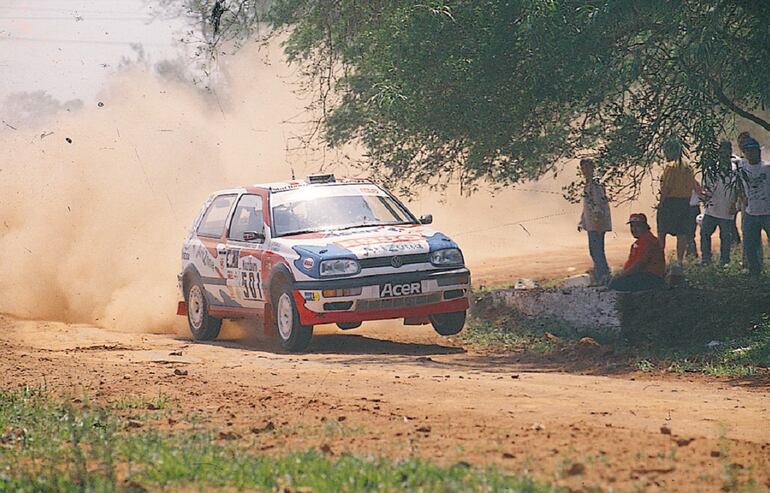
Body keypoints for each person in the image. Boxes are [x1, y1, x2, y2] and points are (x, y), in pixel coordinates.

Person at [657, 138, 701, 265]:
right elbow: (693, 184)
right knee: (681, 233)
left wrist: (661, 203)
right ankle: (680, 260)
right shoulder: (688, 166)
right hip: (684, 203)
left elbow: (666, 187)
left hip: (670, 202)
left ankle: (660, 260)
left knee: (662, 232)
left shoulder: (670, 167)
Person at [701, 141, 738, 266]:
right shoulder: (712, 169)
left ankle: (724, 261)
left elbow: (739, 188)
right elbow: (706, 186)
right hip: (712, 208)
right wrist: (705, 195)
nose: (724, 154)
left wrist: (735, 204)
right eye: (721, 152)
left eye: (726, 151)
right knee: (705, 233)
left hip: (727, 209)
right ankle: (706, 259)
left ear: (730, 152)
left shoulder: (736, 169)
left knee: (726, 237)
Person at [608, 213, 666, 291]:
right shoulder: (640, 242)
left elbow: (640, 264)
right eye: (632, 226)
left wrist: (622, 275)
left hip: (650, 277)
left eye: (637, 226)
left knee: (615, 284)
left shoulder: (648, 241)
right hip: (643, 276)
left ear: (645, 227)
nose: (634, 229)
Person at [738, 137, 770, 276]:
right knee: (750, 244)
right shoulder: (742, 168)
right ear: (744, 153)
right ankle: (754, 271)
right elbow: (738, 185)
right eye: (748, 151)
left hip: (768, 211)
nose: (751, 154)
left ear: (759, 151)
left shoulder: (767, 168)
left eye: (753, 151)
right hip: (751, 212)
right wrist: (742, 198)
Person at [577, 158, 612, 284]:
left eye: (587, 168)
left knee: (597, 250)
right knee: (594, 250)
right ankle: (601, 273)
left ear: (592, 168)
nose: (585, 171)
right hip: (591, 223)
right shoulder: (588, 184)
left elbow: (598, 203)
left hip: (597, 223)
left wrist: (597, 220)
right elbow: (587, 205)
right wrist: (582, 221)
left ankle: (603, 274)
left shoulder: (596, 184)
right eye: (583, 168)